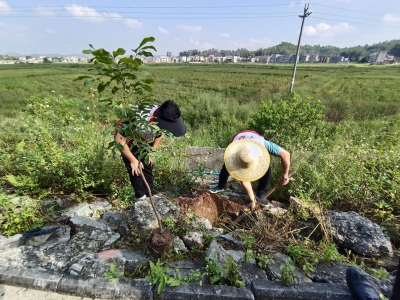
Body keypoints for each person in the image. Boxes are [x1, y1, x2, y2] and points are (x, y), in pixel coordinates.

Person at [114, 100, 186, 200]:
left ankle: (150, 195)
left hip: (144, 140)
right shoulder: (138, 116)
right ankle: (140, 197)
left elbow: (159, 134)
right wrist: (133, 160)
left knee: (148, 163)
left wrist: (152, 151)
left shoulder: (163, 119)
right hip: (128, 140)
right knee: (136, 169)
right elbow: (119, 140)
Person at [209, 130, 291, 211]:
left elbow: (286, 154)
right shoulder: (233, 151)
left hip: (253, 137)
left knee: (267, 167)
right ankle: (220, 186)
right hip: (237, 142)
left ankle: (261, 194)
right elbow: (244, 180)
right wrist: (252, 200)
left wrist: (285, 176)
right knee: (228, 165)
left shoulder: (263, 144)